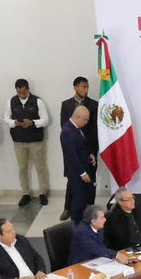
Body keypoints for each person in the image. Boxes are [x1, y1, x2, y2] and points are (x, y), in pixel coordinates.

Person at [59, 76, 99, 219]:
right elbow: (65, 127)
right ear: (76, 87)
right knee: (74, 182)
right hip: (73, 148)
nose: (86, 90)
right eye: (83, 87)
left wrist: (89, 150)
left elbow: (94, 128)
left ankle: (89, 208)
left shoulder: (93, 105)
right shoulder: (66, 106)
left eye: (87, 87)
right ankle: (69, 208)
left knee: (90, 182)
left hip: (88, 147)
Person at [6, 78, 50, 208]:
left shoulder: (38, 101)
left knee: (40, 167)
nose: (21, 95)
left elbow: (46, 120)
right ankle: (25, 193)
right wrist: (14, 122)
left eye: (24, 93)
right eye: (19, 93)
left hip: (36, 140)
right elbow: (6, 118)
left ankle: (42, 192)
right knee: (22, 168)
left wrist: (33, 122)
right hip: (19, 141)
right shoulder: (11, 102)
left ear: (28, 89)